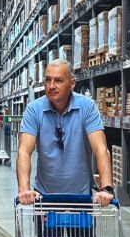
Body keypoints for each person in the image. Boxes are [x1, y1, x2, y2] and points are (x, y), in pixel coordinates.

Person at [16, 61, 114, 206]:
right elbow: (24, 151)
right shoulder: (34, 109)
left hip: (82, 198)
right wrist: (24, 189)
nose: (51, 86)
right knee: (47, 230)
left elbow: (100, 149)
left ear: (72, 83)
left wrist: (106, 188)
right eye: (48, 80)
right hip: (45, 197)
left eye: (58, 80)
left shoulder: (87, 107)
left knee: (82, 229)